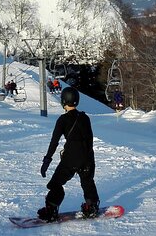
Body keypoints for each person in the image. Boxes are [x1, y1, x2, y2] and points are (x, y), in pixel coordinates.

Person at [37, 86, 100, 222]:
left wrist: (47, 160)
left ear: (63, 101)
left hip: (70, 160)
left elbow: (54, 142)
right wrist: (87, 159)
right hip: (87, 158)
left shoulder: (62, 120)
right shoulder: (85, 118)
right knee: (87, 182)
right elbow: (89, 140)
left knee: (55, 184)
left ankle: (51, 209)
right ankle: (91, 206)